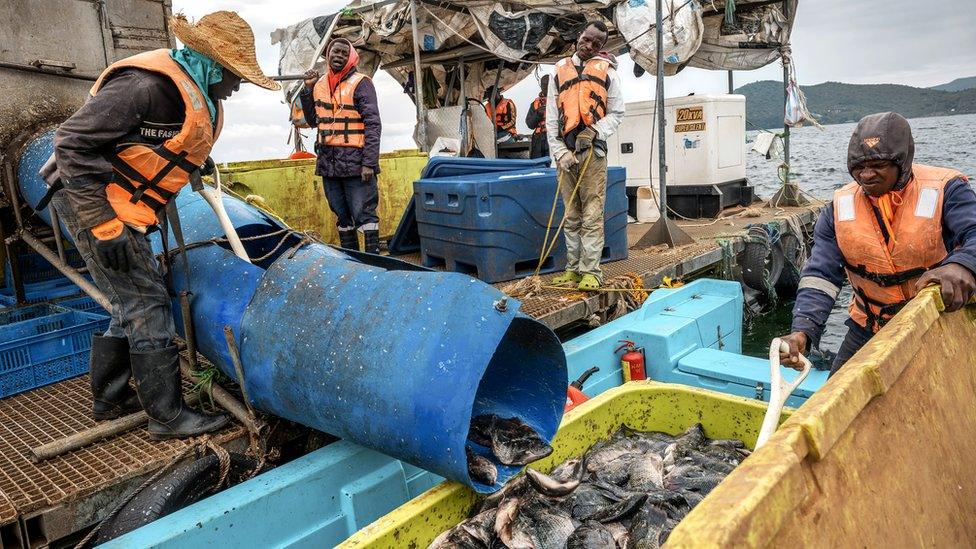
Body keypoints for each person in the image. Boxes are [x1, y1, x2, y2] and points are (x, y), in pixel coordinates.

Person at [46, 12, 280, 438]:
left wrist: (190, 160)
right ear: (211, 64)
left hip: (128, 208)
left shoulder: (194, 93)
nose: (239, 84)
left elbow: (158, 145)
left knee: (129, 295)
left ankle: (110, 397)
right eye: (235, 74)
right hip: (96, 205)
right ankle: (168, 416)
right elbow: (70, 142)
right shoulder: (144, 87)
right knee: (147, 301)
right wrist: (102, 225)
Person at [779, 112, 976, 375]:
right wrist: (802, 331)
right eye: (859, 167)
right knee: (838, 399)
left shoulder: (946, 190)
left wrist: (962, 265)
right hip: (869, 326)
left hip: (937, 319)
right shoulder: (837, 209)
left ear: (902, 162)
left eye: (878, 165)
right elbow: (820, 275)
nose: (867, 175)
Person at [546, 21, 624, 291]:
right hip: (566, 154)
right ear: (579, 36)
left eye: (596, 44)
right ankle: (573, 269)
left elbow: (617, 113)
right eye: (587, 39)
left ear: (601, 47)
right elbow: (550, 117)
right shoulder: (559, 70)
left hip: (593, 152)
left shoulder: (609, 73)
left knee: (592, 211)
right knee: (571, 213)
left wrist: (593, 131)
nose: (589, 46)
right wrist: (560, 152)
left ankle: (591, 270)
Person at [300, 39, 382, 254]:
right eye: (335, 52)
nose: (339, 56)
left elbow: (373, 124)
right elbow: (312, 121)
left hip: (357, 162)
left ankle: (374, 260)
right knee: (341, 214)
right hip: (329, 162)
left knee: (364, 214)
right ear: (328, 55)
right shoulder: (318, 85)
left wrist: (369, 163)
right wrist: (307, 90)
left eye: (344, 53)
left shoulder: (361, 83)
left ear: (352, 57)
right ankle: (352, 260)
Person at [525, 75, 550, 159]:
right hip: (538, 139)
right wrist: (538, 114)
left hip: (553, 137)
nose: (546, 87)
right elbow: (529, 124)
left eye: (548, 84)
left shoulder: (559, 100)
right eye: (544, 85)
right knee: (537, 164)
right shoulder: (535, 104)